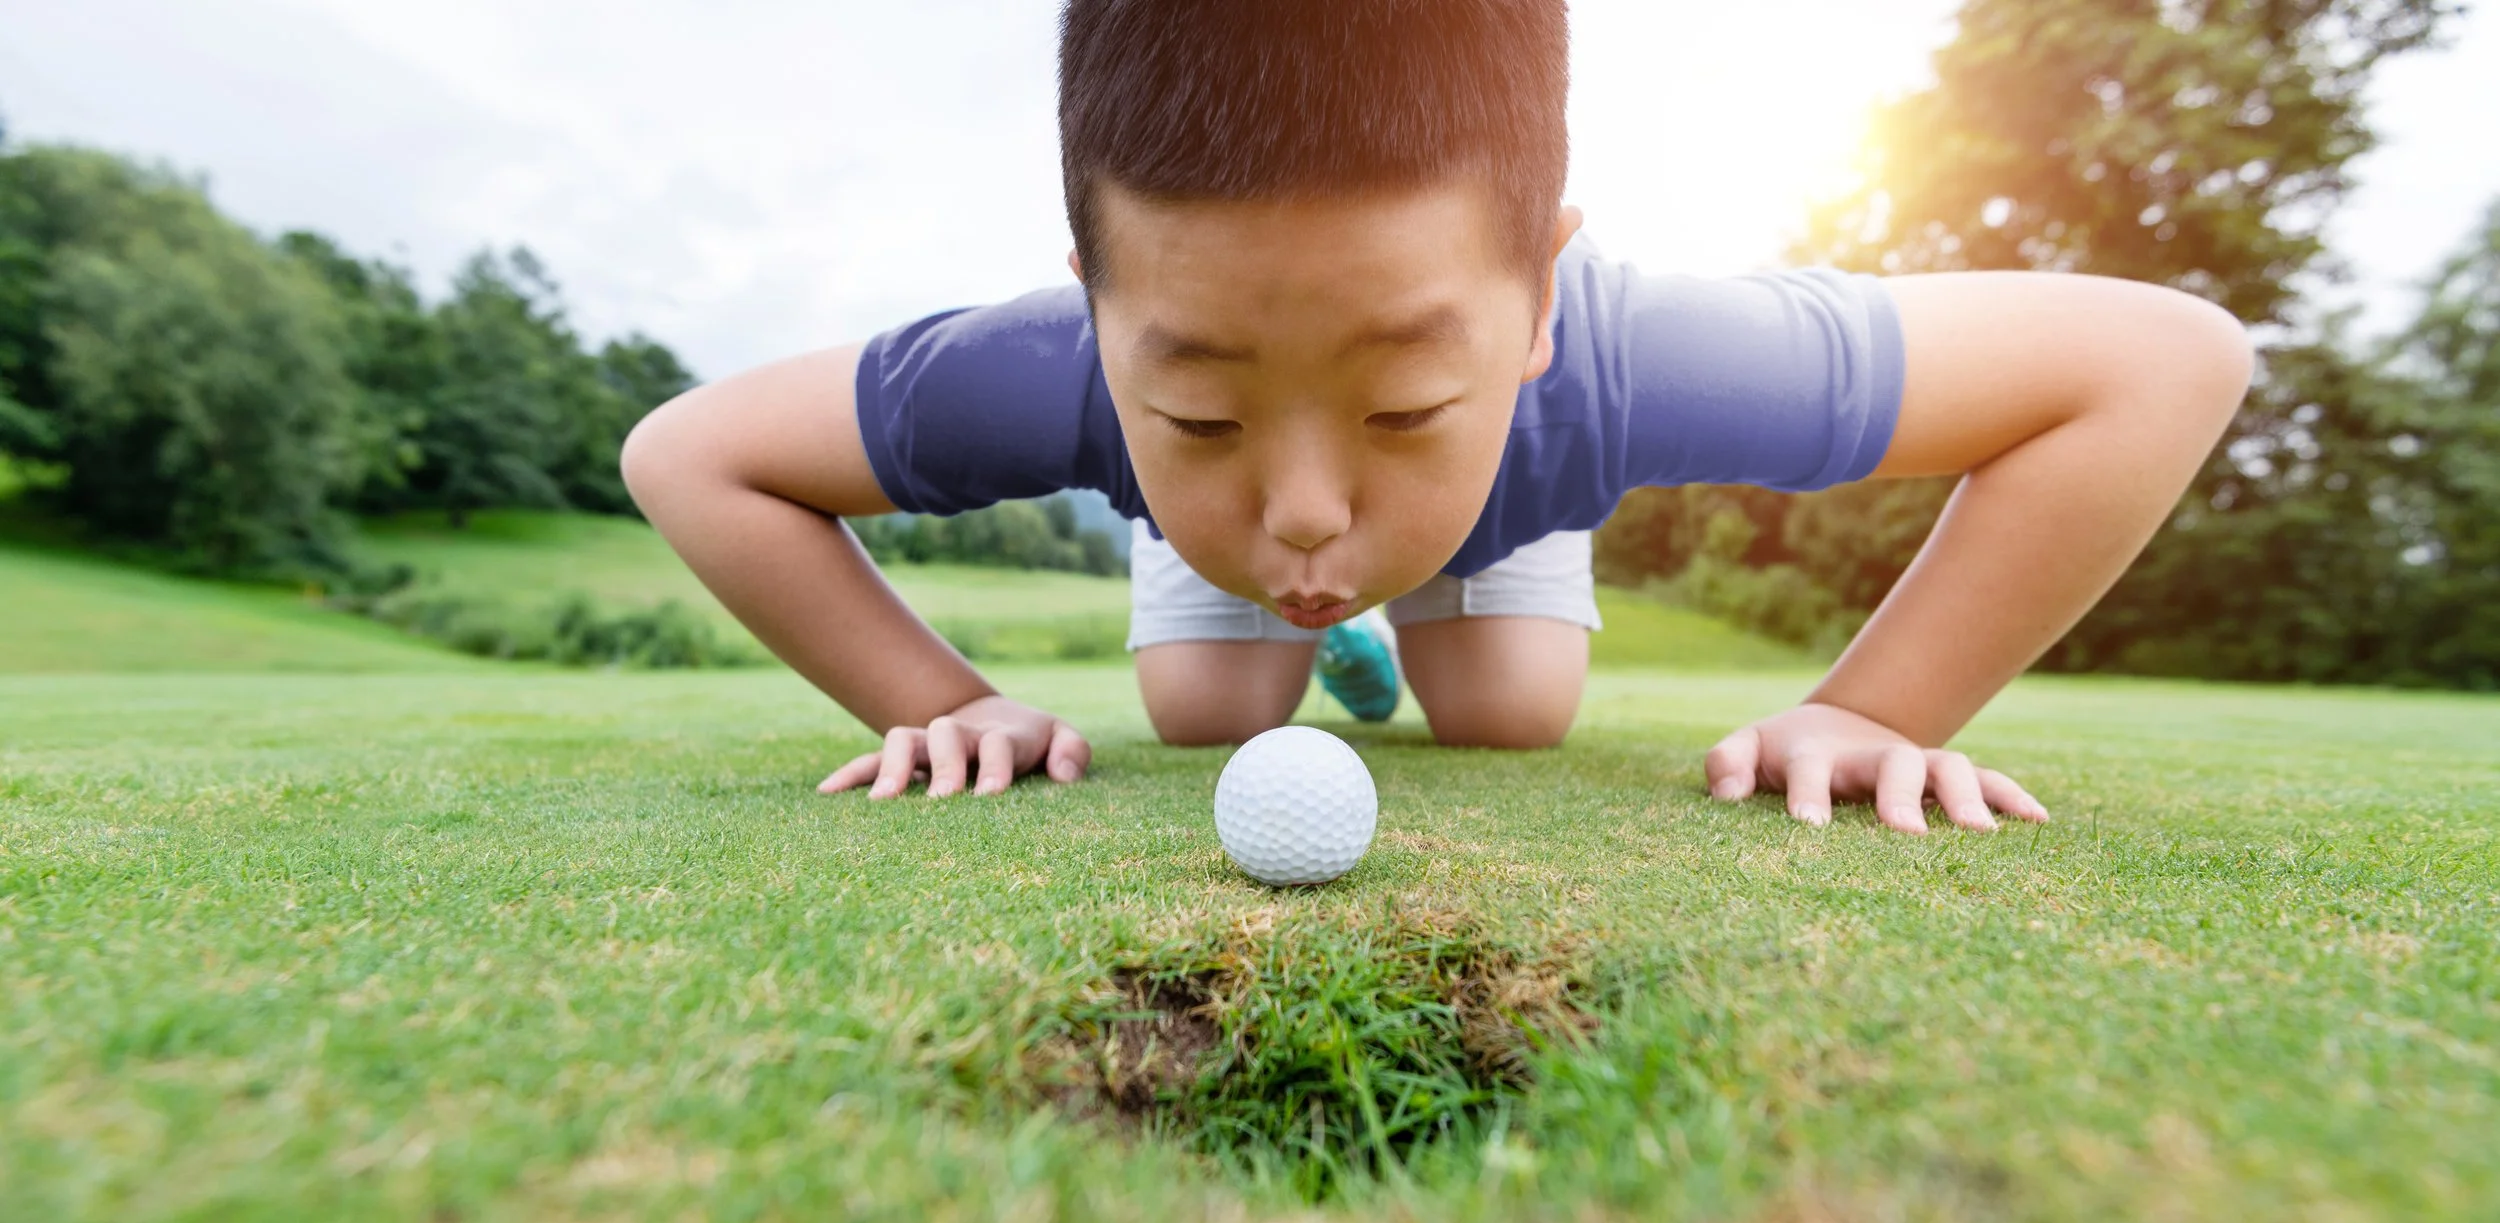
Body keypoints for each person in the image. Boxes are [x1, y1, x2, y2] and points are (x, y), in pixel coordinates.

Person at [621, 0, 2252, 836]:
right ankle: (1327, 606)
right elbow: (689, 455)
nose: (1310, 514)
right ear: (1098, 306)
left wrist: (1882, 712)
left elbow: (2163, 362)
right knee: (1205, 710)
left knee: (1511, 712)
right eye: (1196, 412)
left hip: (1526, 486)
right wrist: (940, 698)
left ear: (1541, 299)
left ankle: (1395, 594)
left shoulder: (1633, 352)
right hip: (1274, 511)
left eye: (1405, 400)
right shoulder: (1053, 362)